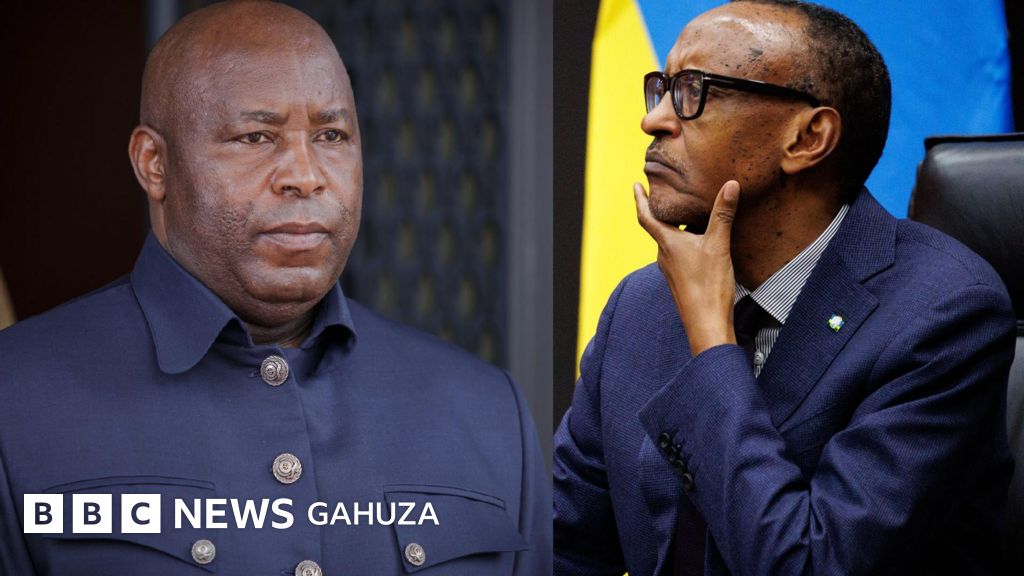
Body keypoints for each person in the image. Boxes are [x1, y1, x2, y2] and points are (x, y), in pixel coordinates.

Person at [0, 2, 550, 574]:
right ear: (154, 164)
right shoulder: (16, 403)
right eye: (256, 137)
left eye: (331, 135)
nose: (305, 176)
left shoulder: (487, 413)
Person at [554, 1, 1015, 574]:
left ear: (807, 138)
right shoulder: (640, 306)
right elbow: (563, 548)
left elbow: (809, 564)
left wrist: (712, 342)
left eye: (696, 92)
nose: (656, 121)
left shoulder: (944, 314)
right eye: (663, 89)